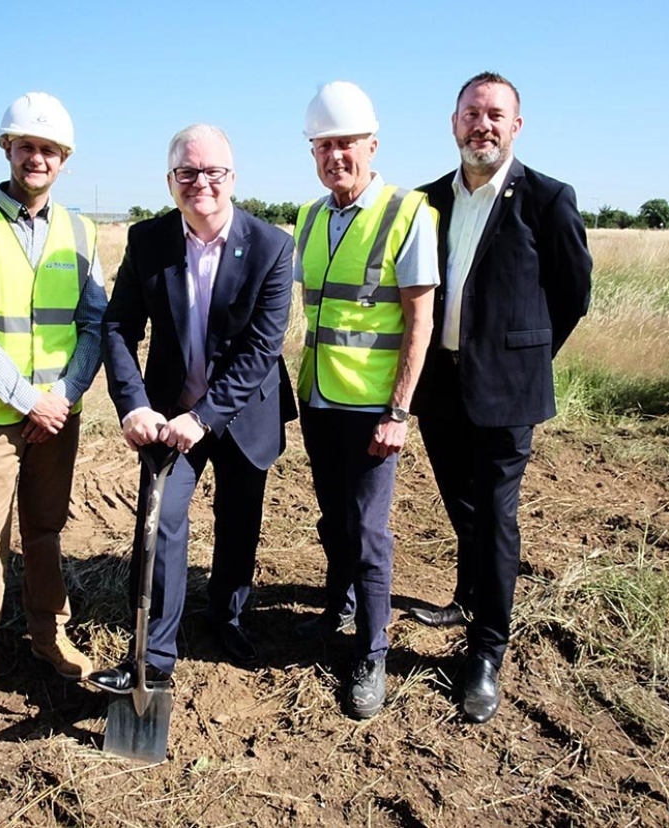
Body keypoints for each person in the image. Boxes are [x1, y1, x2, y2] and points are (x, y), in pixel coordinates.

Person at [408, 71, 592, 723]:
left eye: (494, 114)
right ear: (452, 121)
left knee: (494, 512)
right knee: (462, 503)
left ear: (516, 125)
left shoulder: (546, 198)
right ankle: (466, 593)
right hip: (440, 385)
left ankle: (485, 650)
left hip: (507, 391)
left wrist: (524, 356)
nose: (481, 124)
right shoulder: (425, 201)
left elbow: (573, 295)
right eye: (470, 112)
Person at [87, 124, 295, 694]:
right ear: (171, 180)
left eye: (213, 172)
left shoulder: (272, 246)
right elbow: (118, 326)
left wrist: (204, 417)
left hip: (243, 410)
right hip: (167, 411)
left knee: (238, 521)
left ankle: (226, 616)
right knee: (160, 520)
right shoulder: (148, 240)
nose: (200, 182)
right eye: (187, 173)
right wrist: (133, 404)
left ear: (233, 178)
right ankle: (152, 656)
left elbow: (262, 347)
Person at [0, 92, 105, 729]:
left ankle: (48, 637)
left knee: (45, 533)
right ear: (7, 149)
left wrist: (60, 397)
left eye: (50, 150)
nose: (38, 158)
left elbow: (93, 324)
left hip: (57, 414)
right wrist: (26, 398)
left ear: (64, 160)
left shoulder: (83, 231)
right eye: (27, 146)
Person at [294, 82, 439, 720]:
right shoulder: (308, 217)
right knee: (333, 518)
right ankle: (345, 595)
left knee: (370, 531)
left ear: (371, 145)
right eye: (323, 145)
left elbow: (419, 321)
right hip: (321, 400)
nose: (335, 156)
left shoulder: (408, 213)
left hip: (376, 409)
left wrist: (399, 411)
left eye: (346, 143)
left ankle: (373, 651)